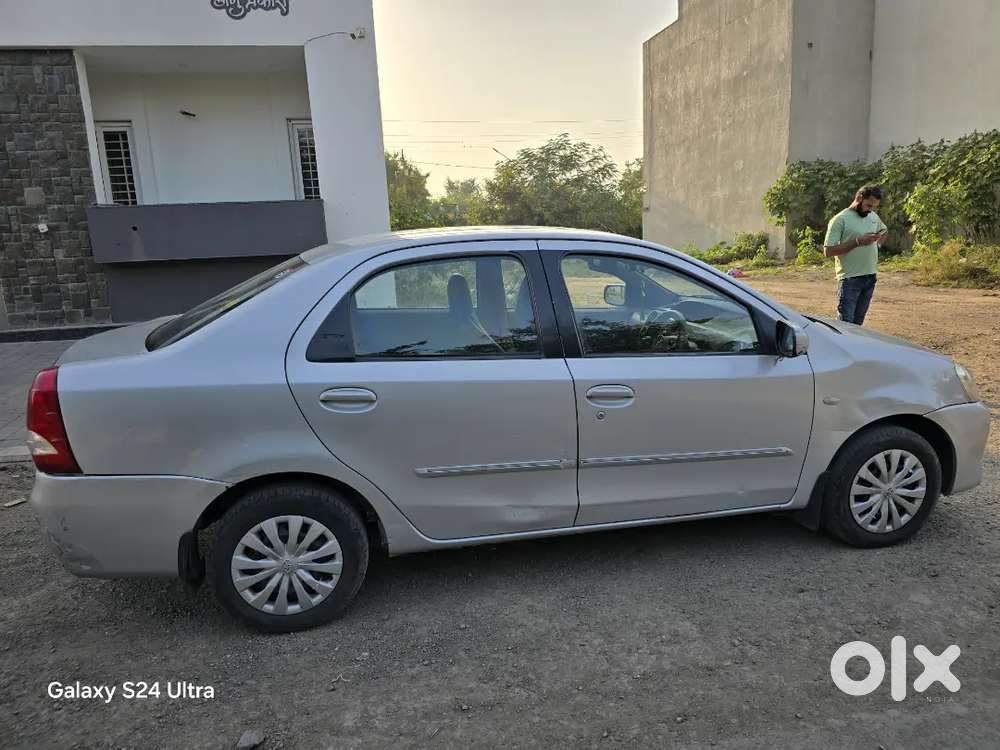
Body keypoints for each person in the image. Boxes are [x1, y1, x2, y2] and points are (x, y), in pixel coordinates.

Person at [822, 185, 888, 325]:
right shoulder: (840, 219)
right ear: (859, 198)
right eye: (868, 205)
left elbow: (884, 230)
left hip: (870, 277)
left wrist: (877, 245)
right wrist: (858, 242)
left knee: (858, 326)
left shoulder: (872, 216)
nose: (871, 209)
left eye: (874, 207)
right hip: (850, 280)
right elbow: (828, 251)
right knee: (845, 326)